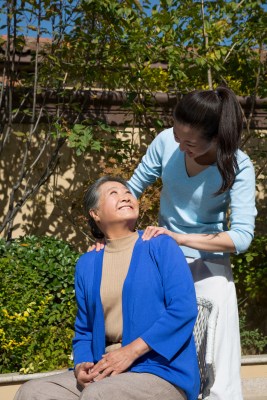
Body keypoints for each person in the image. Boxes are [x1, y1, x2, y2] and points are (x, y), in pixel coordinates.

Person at [14, 176, 200, 400]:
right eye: (114, 193)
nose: (125, 196)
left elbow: (183, 309)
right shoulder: (87, 263)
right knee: (33, 392)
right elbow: (84, 330)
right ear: (95, 214)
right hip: (105, 370)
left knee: (99, 394)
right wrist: (82, 365)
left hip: (159, 370)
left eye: (127, 192)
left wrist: (130, 352)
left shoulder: (160, 245)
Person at [126, 87, 257, 400]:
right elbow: (133, 187)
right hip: (163, 253)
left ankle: (223, 395)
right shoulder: (165, 142)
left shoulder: (238, 166)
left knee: (220, 310)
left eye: (190, 143)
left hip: (207, 259)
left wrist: (182, 238)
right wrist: (112, 236)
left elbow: (241, 237)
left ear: (216, 139)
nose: (179, 146)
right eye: (176, 136)